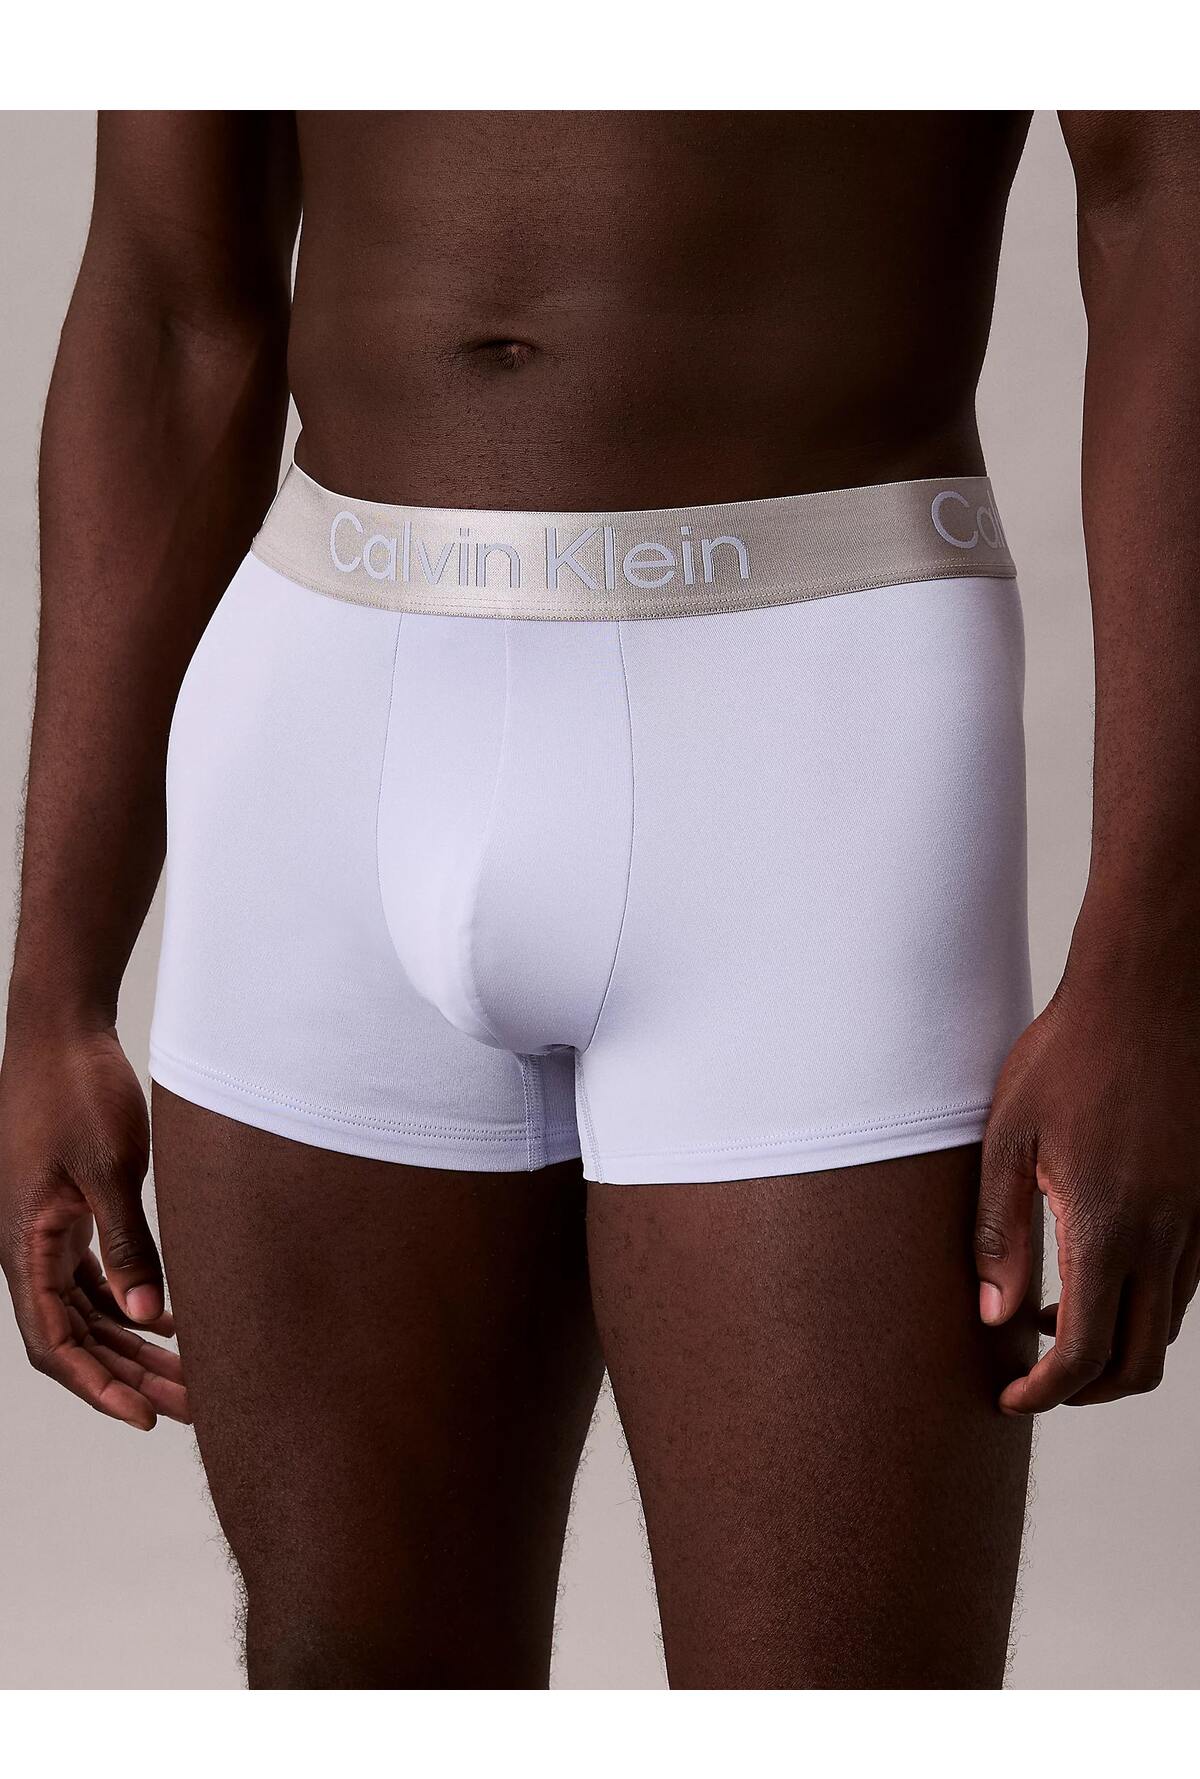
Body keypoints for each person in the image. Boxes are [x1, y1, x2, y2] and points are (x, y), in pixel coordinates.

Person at [1, 111, 1198, 1691]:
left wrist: (1154, 972)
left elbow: (1164, 199)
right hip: (323, 711)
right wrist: (55, 994)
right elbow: (170, 301)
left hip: (809, 720)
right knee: (350, 1696)